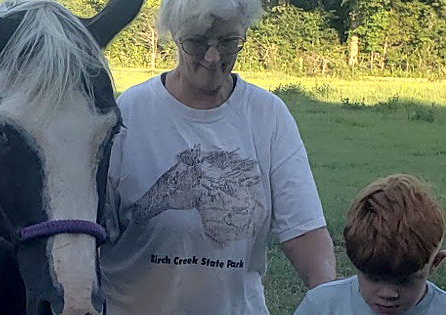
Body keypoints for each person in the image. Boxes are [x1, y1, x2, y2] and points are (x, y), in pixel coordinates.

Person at [97, 0, 337, 313]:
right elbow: (92, 232)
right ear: (174, 34)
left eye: (228, 42)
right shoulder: (129, 113)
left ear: (245, 31)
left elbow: (303, 231)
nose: (213, 58)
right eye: (196, 43)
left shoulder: (268, 116)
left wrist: (334, 300)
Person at [293, 174, 446, 315]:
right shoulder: (321, 306)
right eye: (374, 279)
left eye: (404, 281)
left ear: (435, 262)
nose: (388, 294)